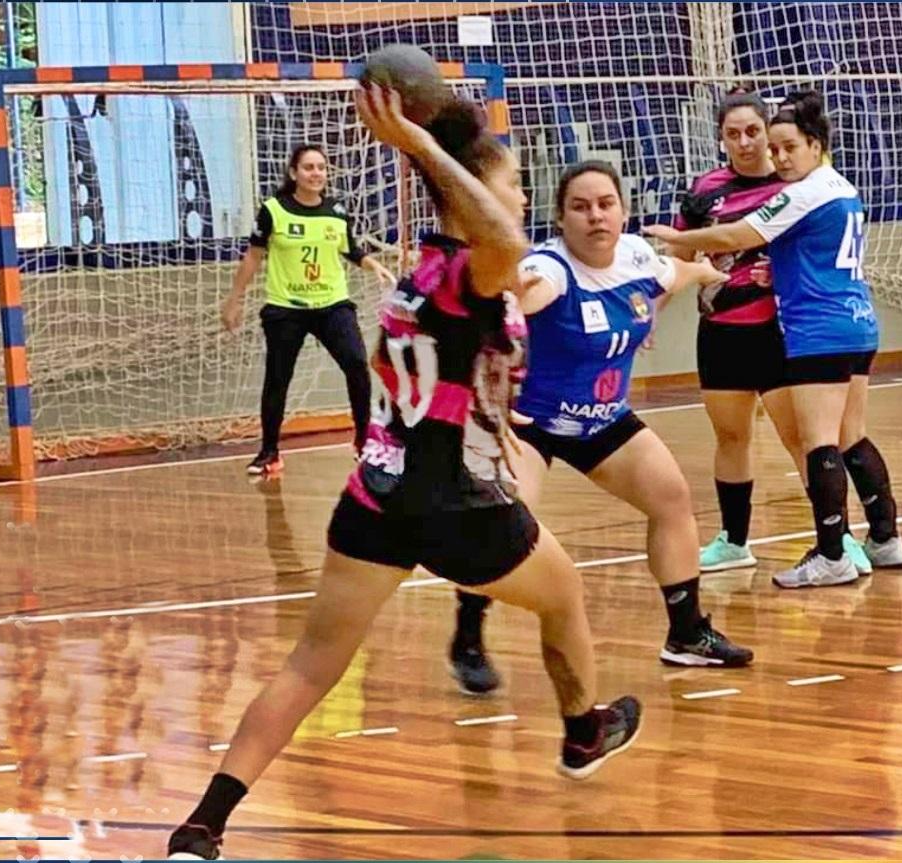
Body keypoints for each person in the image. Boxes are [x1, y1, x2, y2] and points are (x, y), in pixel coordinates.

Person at [167, 88, 642, 861]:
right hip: (457, 505)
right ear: (478, 195)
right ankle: (583, 732)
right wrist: (427, 149)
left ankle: (202, 825)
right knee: (565, 596)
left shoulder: (420, 270)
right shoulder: (474, 270)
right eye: (514, 182)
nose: (523, 197)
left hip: (376, 495)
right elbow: (501, 239)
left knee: (310, 665)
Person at [448, 160, 753, 696]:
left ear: (624, 210)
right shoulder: (550, 272)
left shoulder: (636, 256)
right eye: (580, 207)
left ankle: (687, 635)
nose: (595, 216)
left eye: (605, 204)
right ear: (560, 218)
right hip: (533, 422)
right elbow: (498, 307)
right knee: (501, 522)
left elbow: (670, 275)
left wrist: (702, 273)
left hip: (601, 419)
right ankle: (468, 635)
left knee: (672, 499)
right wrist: (485, 384)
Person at [646, 90, 902, 590]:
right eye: (733, 133)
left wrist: (673, 238)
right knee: (841, 437)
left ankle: (835, 548)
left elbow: (734, 238)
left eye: (779, 143)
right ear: (720, 138)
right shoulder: (826, 188)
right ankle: (883, 537)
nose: (774, 153)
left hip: (806, 329)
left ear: (809, 144)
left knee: (816, 443)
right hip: (817, 324)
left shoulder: (801, 190)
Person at [222, 143, 397, 476]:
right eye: (308, 167)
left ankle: (363, 441)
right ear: (294, 173)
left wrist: (372, 264)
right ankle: (269, 453)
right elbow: (254, 256)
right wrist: (235, 298)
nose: (316, 173)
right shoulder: (274, 210)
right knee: (278, 378)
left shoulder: (337, 211)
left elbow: (350, 249)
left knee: (357, 364)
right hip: (286, 307)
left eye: (321, 167)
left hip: (332, 304)